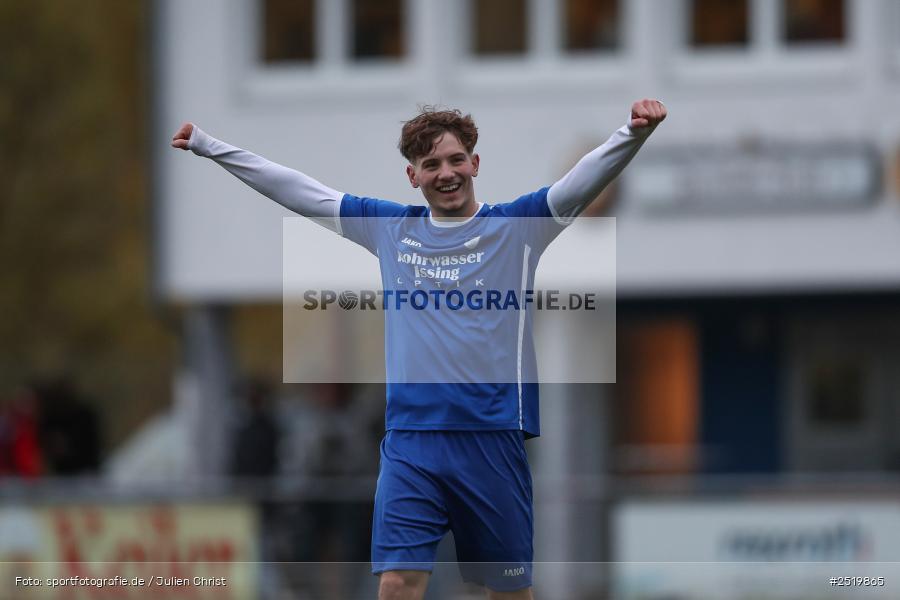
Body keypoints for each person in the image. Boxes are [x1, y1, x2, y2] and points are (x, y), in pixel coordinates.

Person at [172, 99, 666, 600]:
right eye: (431, 164)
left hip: (492, 440)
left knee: (508, 592)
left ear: (475, 164)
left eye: (455, 160)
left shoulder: (517, 228)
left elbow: (579, 184)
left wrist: (633, 133)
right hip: (412, 444)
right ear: (413, 175)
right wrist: (214, 149)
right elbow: (302, 192)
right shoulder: (391, 230)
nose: (446, 173)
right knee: (397, 583)